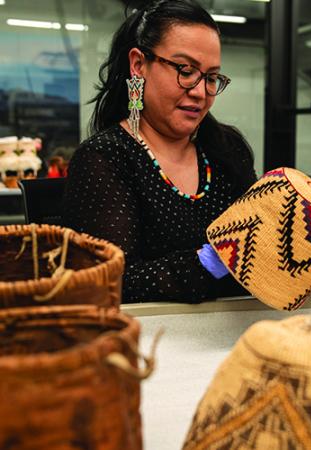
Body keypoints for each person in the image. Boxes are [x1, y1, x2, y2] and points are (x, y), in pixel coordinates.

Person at [63, 0, 256, 303]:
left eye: (211, 77)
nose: (200, 91)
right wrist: (209, 262)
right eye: (186, 70)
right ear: (139, 65)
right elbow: (111, 281)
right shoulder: (105, 159)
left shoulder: (226, 149)